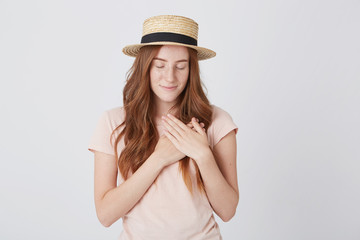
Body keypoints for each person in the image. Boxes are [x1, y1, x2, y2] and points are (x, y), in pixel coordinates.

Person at [88, 15, 239, 240]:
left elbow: (228, 211)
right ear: (145, 67)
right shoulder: (113, 122)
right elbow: (105, 214)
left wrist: (203, 155)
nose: (170, 77)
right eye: (160, 65)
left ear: (192, 70)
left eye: (181, 66)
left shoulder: (218, 121)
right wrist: (159, 159)